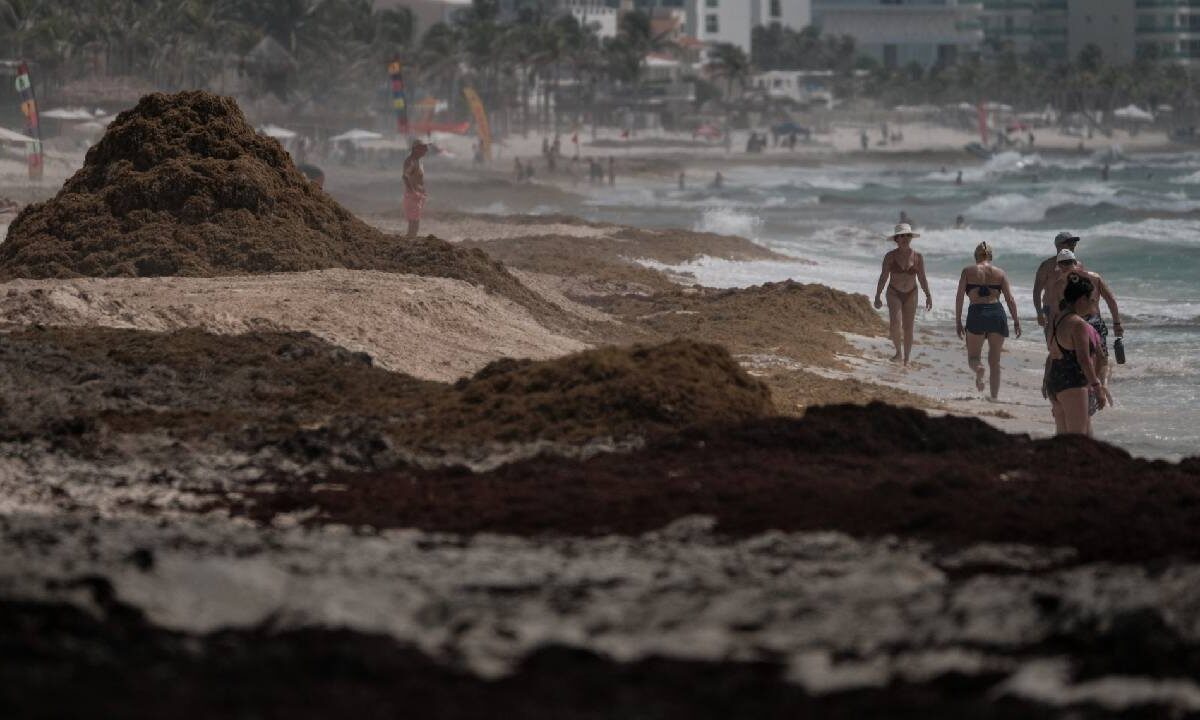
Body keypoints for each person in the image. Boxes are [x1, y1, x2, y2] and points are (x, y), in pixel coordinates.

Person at [1043, 248, 1123, 405]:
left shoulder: (1059, 283)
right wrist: (1117, 323)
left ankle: (1088, 388)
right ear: (1075, 261)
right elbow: (1111, 301)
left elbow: (1056, 311)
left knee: (1080, 358)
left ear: (1059, 265)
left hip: (1074, 323)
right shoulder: (1094, 277)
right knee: (1102, 358)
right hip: (1095, 322)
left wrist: (1053, 332)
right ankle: (1102, 385)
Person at [955, 242, 1021, 399]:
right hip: (996, 314)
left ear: (975, 256)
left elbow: (959, 298)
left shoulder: (967, 271)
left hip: (977, 313)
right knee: (995, 361)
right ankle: (994, 398)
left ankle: (979, 369)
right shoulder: (1000, 273)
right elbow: (1010, 299)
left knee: (973, 357)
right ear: (990, 256)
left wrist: (958, 321)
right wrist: (1016, 321)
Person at [1047, 273, 1107, 435]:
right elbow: (1083, 359)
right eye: (1091, 299)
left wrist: (1047, 383)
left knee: (1063, 437)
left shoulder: (1058, 319)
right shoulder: (1078, 324)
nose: (1093, 303)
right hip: (1073, 382)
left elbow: (1052, 353)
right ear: (1081, 300)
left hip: (1055, 379)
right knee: (1077, 441)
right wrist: (1097, 387)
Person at [874, 223, 932, 365]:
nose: (905, 238)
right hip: (894, 292)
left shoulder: (918, 257)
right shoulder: (890, 257)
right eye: (902, 236)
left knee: (908, 327)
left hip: (912, 293)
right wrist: (877, 295)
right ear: (896, 239)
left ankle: (906, 358)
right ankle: (898, 353)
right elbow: (883, 277)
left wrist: (928, 295)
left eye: (908, 235)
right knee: (895, 323)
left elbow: (922, 278)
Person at [1033, 232, 1080, 332]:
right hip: (1050, 310)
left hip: (1073, 309)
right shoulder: (1046, 266)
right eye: (1070, 243)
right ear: (1059, 246)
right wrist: (1039, 313)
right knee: (1053, 345)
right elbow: (1037, 291)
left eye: (1074, 243)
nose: (1073, 245)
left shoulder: (1078, 265)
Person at [402, 139, 428, 238]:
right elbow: (405, 177)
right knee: (414, 222)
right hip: (413, 196)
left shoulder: (418, 161)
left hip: (418, 195)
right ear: (416, 149)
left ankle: (411, 239)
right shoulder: (410, 161)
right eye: (423, 148)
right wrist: (413, 192)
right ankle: (409, 240)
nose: (426, 150)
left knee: (415, 221)